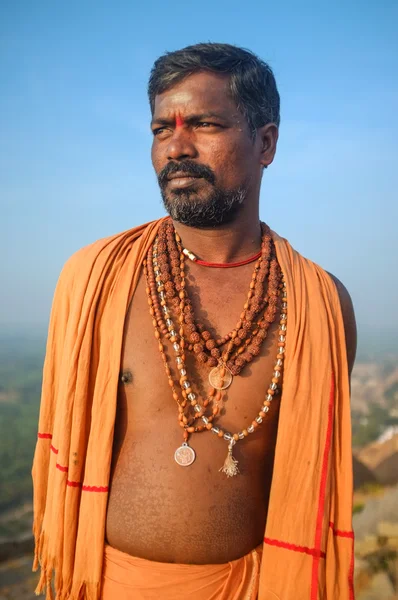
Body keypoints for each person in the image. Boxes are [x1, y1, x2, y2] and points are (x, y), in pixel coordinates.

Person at [32, 43, 357, 600]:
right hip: (106, 584)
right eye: (161, 129)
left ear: (266, 143)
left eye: (204, 123)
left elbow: (300, 472)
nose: (176, 147)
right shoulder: (98, 277)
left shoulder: (321, 304)